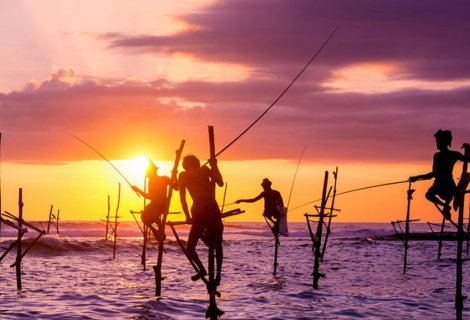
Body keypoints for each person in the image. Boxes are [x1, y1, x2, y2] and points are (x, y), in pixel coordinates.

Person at [178, 155, 224, 285]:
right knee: (190, 249)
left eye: (193, 168)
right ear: (186, 168)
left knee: (218, 245)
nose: (192, 171)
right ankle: (202, 269)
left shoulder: (205, 170)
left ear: (197, 166)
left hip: (212, 210)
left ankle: (218, 277)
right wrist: (187, 216)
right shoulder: (183, 176)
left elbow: (220, 182)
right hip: (198, 213)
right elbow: (182, 197)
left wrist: (215, 166)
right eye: (189, 169)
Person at [410, 130, 470, 220]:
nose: (437, 144)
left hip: (448, 184)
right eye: (436, 142)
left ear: (445, 142)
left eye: (438, 141)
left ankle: (446, 206)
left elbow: (468, 160)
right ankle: (446, 206)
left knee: (449, 193)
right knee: (428, 195)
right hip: (438, 184)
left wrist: (468, 149)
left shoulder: (453, 154)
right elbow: (433, 174)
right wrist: (416, 178)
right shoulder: (436, 155)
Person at [132, 160, 174, 241]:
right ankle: (157, 230)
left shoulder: (164, 178)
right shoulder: (151, 182)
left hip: (161, 205)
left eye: (148, 173)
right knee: (144, 217)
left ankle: (160, 227)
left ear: (153, 172)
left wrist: (174, 176)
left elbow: (176, 187)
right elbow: (150, 197)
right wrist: (138, 190)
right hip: (154, 204)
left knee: (151, 218)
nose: (147, 175)